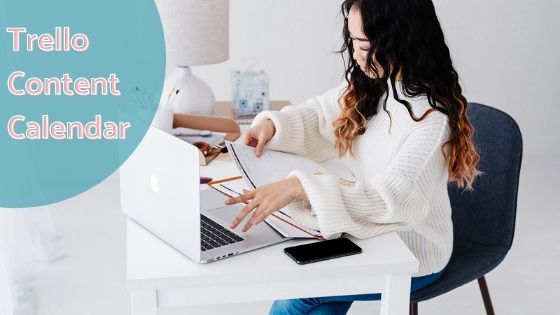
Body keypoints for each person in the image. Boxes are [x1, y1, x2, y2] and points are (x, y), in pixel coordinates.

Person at [226, 0, 480, 313]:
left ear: (401, 39)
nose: (356, 54)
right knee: (317, 295)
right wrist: (273, 125)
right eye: (352, 41)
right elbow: (321, 115)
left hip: (412, 252)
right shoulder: (375, 85)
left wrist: (300, 187)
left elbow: (393, 197)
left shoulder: (431, 121)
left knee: (304, 293)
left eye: (365, 44)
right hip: (367, 233)